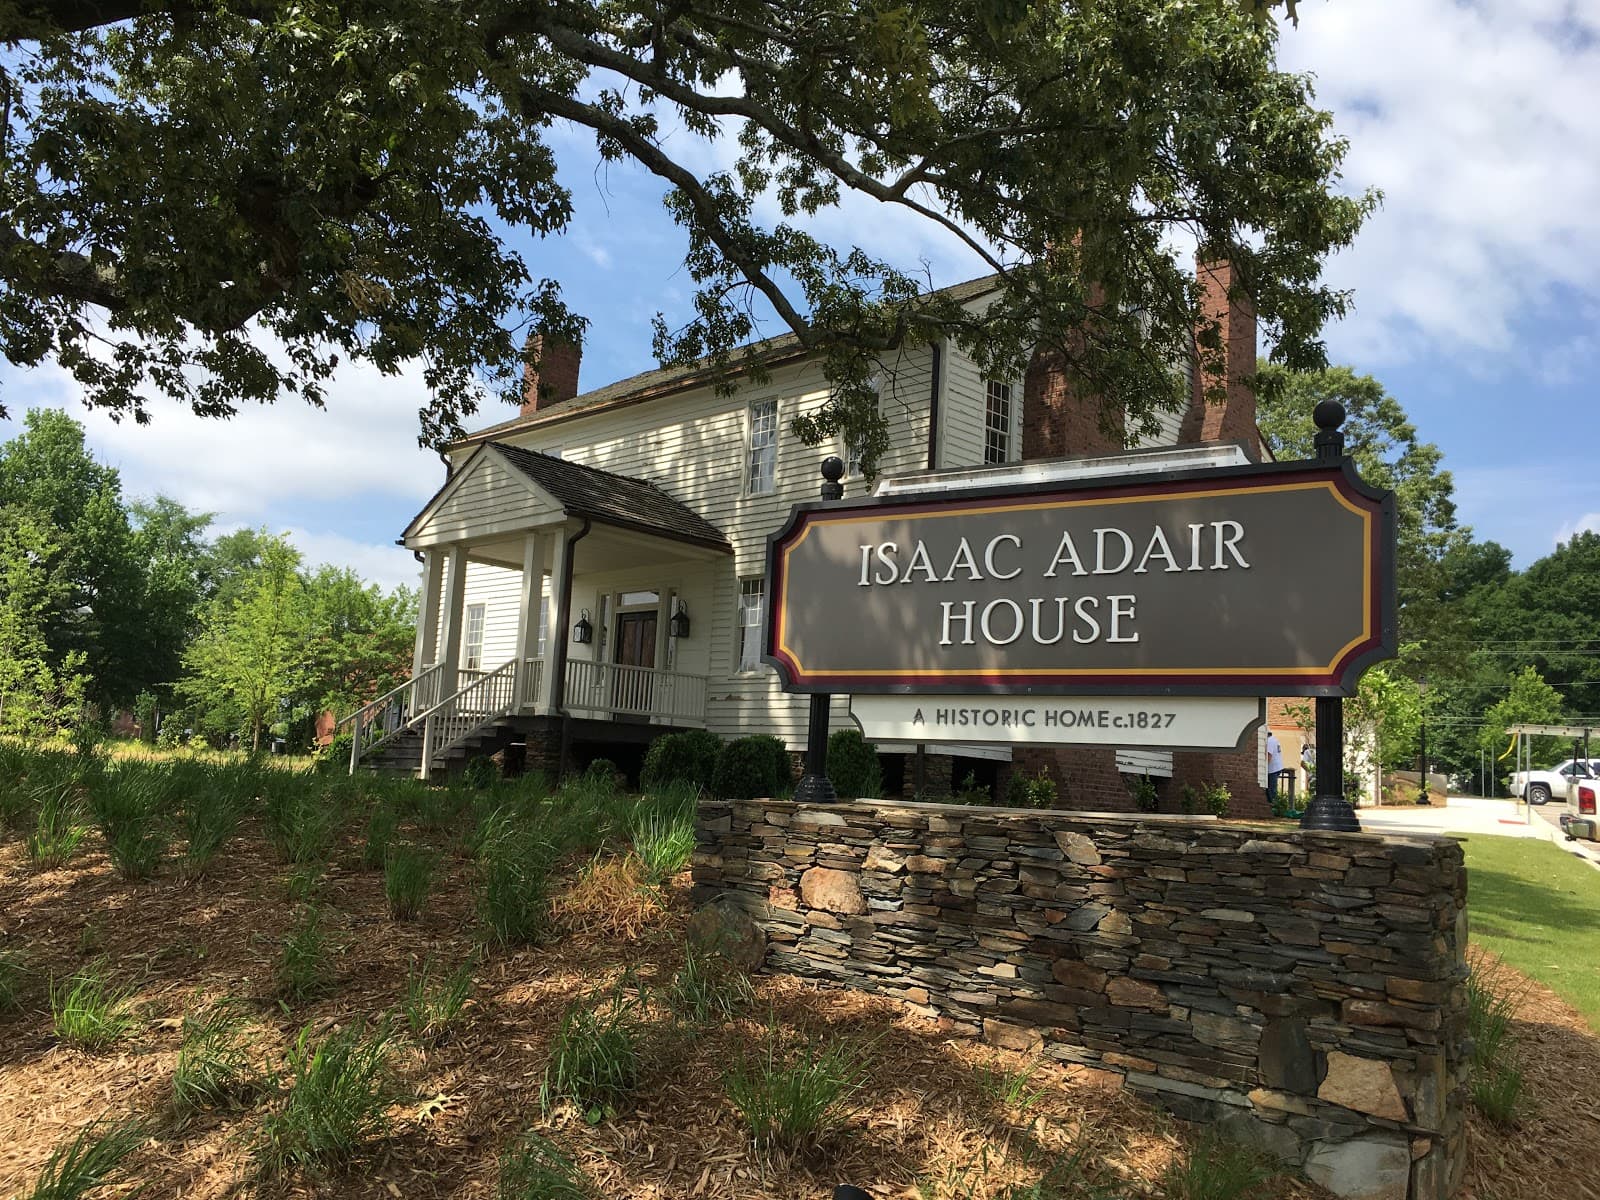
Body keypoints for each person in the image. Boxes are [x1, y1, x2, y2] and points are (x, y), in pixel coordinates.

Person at [1266, 730, 1283, 805]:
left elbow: (1269, 755)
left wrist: (1265, 768)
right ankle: (1273, 804)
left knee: (1271, 789)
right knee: (1272, 787)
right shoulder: (1274, 739)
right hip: (1277, 767)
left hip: (1272, 768)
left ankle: (1273, 805)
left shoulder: (1269, 741)